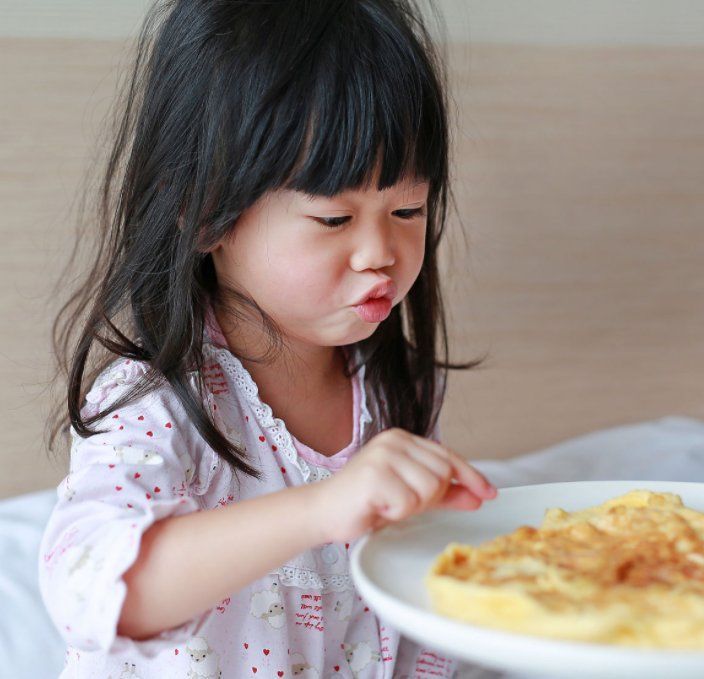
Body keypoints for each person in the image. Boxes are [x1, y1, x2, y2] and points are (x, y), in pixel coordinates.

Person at [37, 1, 497, 676]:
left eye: (408, 210)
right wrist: (317, 508)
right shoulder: (154, 403)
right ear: (203, 214)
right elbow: (91, 590)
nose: (381, 252)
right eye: (333, 217)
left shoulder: (397, 385)